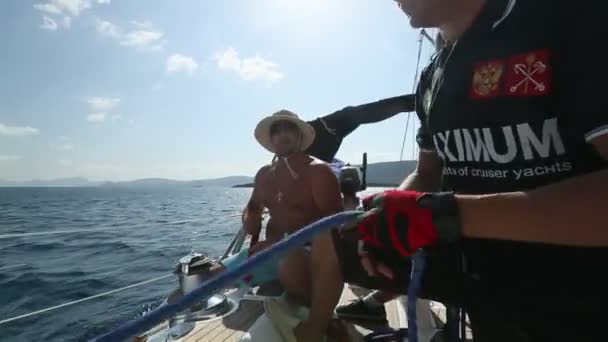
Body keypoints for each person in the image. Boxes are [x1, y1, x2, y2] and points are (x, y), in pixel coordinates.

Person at [292, 0, 608, 341]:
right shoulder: (433, 76)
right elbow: (427, 172)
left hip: (583, 298)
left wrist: (442, 216)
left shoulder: (572, 19)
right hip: (482, 288)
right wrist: (388, 214)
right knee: (330, 243)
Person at [219, 110, 344, 289]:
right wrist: (251, 218)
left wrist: (279, 244)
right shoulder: (264, 175)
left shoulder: (318, 172)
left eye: (290, 129)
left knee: (289, 264)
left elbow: (333, 227)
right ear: (271, 138)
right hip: (267, 254)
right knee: (203, 275)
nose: (282, 134)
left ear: (300, 136)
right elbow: (253, 207)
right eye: (276, 130)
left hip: (307, 255)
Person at [305, 95, 415, 163]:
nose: (287, 133)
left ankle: (420, 100)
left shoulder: (318, 130)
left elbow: (357, 114)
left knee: (351, 114)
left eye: (289, 127)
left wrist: (416, 101)